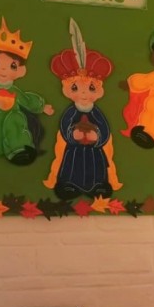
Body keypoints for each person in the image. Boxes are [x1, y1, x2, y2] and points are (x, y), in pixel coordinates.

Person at [46, 21, 121, 200]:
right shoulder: (71, 112)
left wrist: (98, 137)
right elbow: (65, 125)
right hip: (74, 149)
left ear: (99, 90)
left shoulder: (96, 113)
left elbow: (104, 128)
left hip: (94, 150)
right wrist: (73, 135)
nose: (84, 93)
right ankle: (69, 184)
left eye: (91, 88)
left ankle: (98, 185)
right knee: (72, 165)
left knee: (97, 167)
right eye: (76, 88)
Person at [0, 17, 54, 165]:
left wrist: (42, 107)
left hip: (14, 121)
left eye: (12, 65)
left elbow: (27, 100)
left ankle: (19, 150)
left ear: (20, 71)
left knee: (16, 119)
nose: (3, 68)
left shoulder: (15, 92)